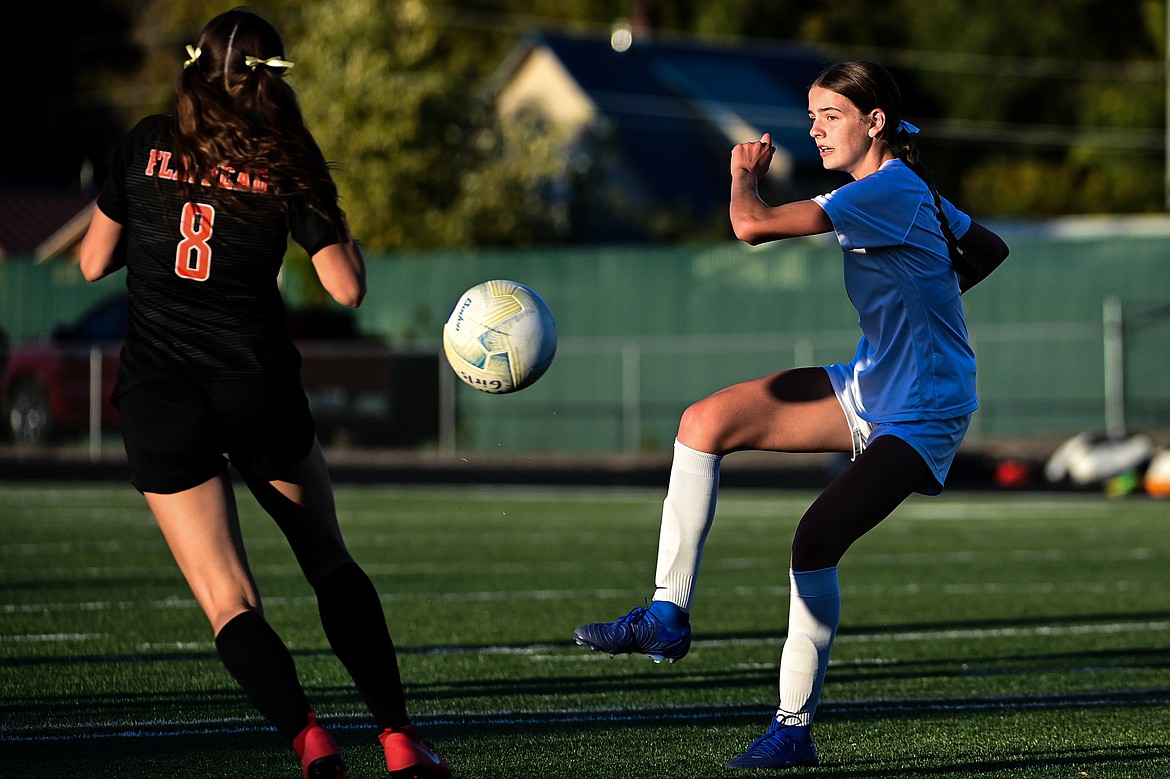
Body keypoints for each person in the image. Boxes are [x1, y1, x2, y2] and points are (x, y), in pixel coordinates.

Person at [573, 60, 1008, 769]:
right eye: (811, 115)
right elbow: (990, 248)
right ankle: (665, 613)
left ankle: (792, 727)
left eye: (829, 115)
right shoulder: (906, 187)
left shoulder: (888, 188)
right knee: (703, 421)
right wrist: (935, 292)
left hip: (924, 409)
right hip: (870, 385)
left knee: (814, 539)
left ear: (874, 123)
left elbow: (749, 225)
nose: (814, 128)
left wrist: (743, 170)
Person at [78, 9, 452, 779]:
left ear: (193, 67)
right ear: (272, 82)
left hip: (160, 397)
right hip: (256, 387)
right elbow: (345, 287)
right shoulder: (285, 158)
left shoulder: (144, 143)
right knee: (328, 562)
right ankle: (398, 739)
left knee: (228, 599)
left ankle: (309, 739)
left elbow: (90, 265)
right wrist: (326, 208)